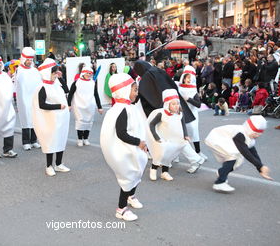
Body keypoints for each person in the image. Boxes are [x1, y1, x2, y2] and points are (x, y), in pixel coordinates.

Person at [100, 73, 148, 221]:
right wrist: (138, 142)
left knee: (136, 172)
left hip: (133, 148)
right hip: (125, 150)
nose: (136, 92)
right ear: (124, 90)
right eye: (134, 90)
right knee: (128, 176)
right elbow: (121, 133)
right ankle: (121, 209)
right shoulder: (122, 110)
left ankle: (131, 196)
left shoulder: (128, 107)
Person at [146, 89, 204, 180]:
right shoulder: (161, 114)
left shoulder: (179, 114)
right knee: (160, 155)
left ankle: (165, 172)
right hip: (163, 140)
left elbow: (183, 125)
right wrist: (156, 137)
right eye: (173, 104)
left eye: (177, 103)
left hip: (175, 139)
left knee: (169, 156)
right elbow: (152, 124)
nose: (176, 106)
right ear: (167, 104)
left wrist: (185, 135)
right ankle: (153, 169)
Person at [205, 116, 272, 192]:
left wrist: (260, 168)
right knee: (233, 156)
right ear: (249, 129)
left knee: (238, 161)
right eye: (255, 133)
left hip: (224, 139)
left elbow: (253, 153)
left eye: (259, 134)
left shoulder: (250, 137)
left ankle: (222, 172)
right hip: (216, 138)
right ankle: (219, 183)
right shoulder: (240, 134)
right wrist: (260, 166)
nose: (257, 136)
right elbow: (245, 152)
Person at [32, 58, 70, 177]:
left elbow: (66, 89)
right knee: (50, 142)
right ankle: (49, 166)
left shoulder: (56, 84)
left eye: (56, 72)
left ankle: (58, 164)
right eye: (54, 72)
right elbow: (42, 105)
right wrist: (59, 106)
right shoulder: (42, 87)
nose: (56, 74)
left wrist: (60, 77)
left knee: (60, 140)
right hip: (49, 120)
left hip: (61, 119)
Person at [68, 65, 103, 147]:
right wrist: (69, 104)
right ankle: (80, 139)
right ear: (83, 73)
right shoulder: (76, 82)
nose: (88, 75)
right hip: (78, 105)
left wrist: (99, 107)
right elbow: (70, 94)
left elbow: (96, 95)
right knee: (80, 122)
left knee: (89, 122)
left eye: (90, 73)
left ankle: (86, 138)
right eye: (87, 73)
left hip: (90, 106)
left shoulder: (92, 83)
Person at [15, 47, 42, 151]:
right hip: (24, 98)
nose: (30, 62)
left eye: (31, 60)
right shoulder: (19, 71)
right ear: (23, 59)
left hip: (34, 98)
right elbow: (18, 86)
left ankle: (34, 140)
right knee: (25, 119)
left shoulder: (35, 71)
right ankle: (26, 141)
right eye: (28, 60)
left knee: (34, 119)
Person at [178, 72, 208, 162]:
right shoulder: (179, 89)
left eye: (190, 78)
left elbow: (198, 105)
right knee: (180, 134)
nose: (189, 79)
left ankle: (198, 152)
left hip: (193, 115)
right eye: (187, 78)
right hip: (181, 114)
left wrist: (189, 99)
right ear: (183, 78)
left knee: (194, 133)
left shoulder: (193, 90)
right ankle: (175, 156)